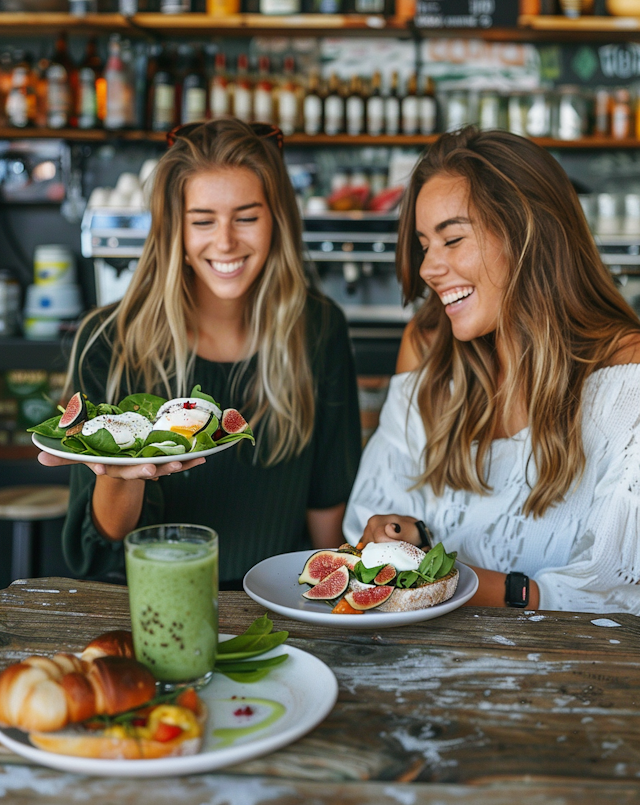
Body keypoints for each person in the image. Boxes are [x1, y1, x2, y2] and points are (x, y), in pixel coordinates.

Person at [41, 118, 362, 588]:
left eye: (247, 217)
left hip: (279, 602)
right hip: (145, 601)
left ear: (277, 219)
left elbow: (327, 499)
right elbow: (100, 548)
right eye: (203, 220)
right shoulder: (108, 340)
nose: (226, 241)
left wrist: (327, 602)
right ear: (175, 228)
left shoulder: (318, 329)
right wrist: (120, 476)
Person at [343, 126, 640, 614]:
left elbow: (617, 594)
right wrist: (406, 533)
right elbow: (365, 530)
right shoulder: (429, 349)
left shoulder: (625, 378)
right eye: (424, 245)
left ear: (528, 233)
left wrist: (458, 584)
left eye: (452, 239)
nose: (427, 269)